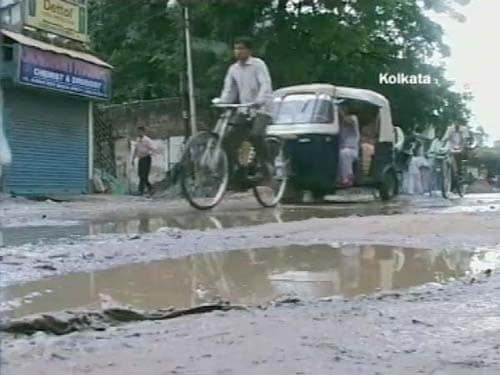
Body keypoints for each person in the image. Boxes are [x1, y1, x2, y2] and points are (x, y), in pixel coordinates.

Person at [214, 36, 274, 176]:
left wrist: (259, 100)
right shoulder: (233, 69)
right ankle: (235, 172)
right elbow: (229, 90)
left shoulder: (258, 64)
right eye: (235, 48)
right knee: (227, 140)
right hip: (244, 108)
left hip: (262, 108)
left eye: (241, 48)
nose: (238, 52)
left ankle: (267, 163)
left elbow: (265, 84)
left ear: (249, 50)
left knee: (255, 135)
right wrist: (222, 102)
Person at [132, 126, 156, 196]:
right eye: (138, 131)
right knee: (140, 175)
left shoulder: (147, 140)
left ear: (143, 132)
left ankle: (142, 190)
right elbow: (136, 150)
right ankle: (149, 188)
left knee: (144, 175)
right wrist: (133, 159)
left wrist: (149, 153)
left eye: (140, 131)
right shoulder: (138, 140)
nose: (139, 133)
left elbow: (154, 148)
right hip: (141, 159)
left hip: (146, 158)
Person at [338, 112, 360, 186]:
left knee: (344, 153)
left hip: (352, 150)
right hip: (341, 148)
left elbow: (349, 121)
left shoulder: (353, 117)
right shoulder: (339, 125)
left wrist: (339, 110)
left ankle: (348, 177)